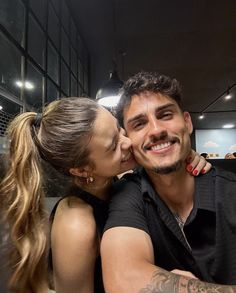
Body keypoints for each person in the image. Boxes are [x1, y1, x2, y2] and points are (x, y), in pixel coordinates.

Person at [0, 97, 209, 293]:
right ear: (82, 170)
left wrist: (185, 157)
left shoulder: (119, 180)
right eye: (113, 146)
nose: (127, 142)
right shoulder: (76, 224)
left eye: (119, 129)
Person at [101, 72, 236, 292]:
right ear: (129, 141)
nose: (156, 130)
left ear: (187, 122)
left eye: (165, 115)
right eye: (139, 124)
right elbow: (123, 281)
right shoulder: (129, 193)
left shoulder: (230, 192)